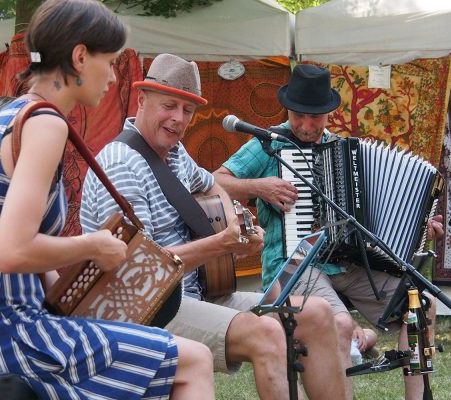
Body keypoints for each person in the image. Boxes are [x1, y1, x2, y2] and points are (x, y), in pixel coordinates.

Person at [0, 2, 214, 399]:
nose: (115, 76)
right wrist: (95, 246)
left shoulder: (6, 120)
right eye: (112, 62)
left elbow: (15, 260)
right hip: (4, 337)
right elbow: (12, 252)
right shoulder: (45, 123)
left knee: (141, 347)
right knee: (194, 361)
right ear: (81, 57)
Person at [81, 53, 346, 400]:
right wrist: (222, 244)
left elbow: (211, 184)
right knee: (266, 333)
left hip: (195, 292)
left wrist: (237, 220)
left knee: (317, 312)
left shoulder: (174, 153)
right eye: (169, 106)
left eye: (187, 111)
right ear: (142, 99)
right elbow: (140, 274)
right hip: (143, 309)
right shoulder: (121, 165)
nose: (178, 119)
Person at [214, 64, 443, 400]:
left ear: (328, 114)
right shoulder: (267, 144)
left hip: (346, 263)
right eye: (299, 116)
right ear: (288, 109)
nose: (306, 126)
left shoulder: (346, 151)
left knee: (419, 305)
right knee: (340, 325)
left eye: (315, 117)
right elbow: (214, 181)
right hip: (294, 263)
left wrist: (420, 229)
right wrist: (259, 186)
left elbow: (376, 215)